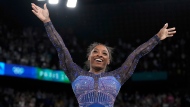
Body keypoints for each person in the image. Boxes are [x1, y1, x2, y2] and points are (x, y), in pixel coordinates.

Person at [31, 3, 176, 107]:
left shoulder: (118, 75)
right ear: (88, 57)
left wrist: (157, 37)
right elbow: (60, 48)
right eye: (95, 51)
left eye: (104, 53)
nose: (99, 55)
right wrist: (47, 22)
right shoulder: (75, 73)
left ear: (108, 60)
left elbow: (136, 55)